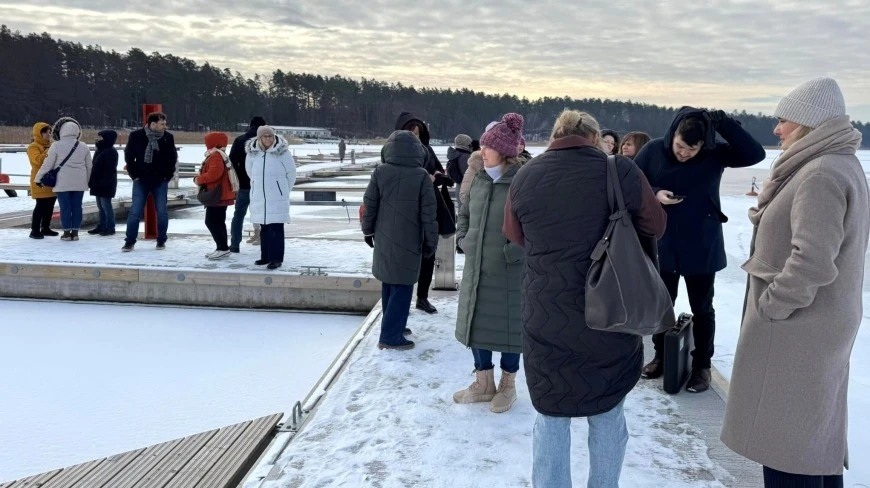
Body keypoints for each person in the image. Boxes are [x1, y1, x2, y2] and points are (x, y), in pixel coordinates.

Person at [503, 110, 666, 487]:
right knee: (607, 413)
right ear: (594, 137)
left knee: (551, 417)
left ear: (555, 136)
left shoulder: (527, 175)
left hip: (546, 315)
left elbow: (515, 233)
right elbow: (656, 225)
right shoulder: (620, 171)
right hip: (611, 310)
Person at [721, 77, 868, 487]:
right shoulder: (834, 163)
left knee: (785, 446)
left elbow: (813, 261)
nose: (776, 129)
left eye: (782, 120)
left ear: (806, 122)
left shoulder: (819, 173)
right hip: (817, 325)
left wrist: (772, 307)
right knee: (811, 444)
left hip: (798, 330)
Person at [634, 106, 765, 393]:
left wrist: (725, 124)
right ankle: (661, 356)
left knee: (702, 308)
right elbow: (632, 180)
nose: (683, 153)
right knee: (662, 306)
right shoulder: (654, 150)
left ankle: (702, 367)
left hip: (701, 244)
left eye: (691, 150)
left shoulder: (713, 153)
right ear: (673, 134)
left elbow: (755, 154)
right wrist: (655, 192)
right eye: (680, 146)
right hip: (663, 243)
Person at [453, 113, 525, 414]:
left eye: (488, 147)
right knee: (477, 323)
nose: (482, 152)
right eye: (482, 146)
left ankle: (508, 385)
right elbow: (465, 213)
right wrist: (462, 239)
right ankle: (483, 381)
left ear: (505, 152)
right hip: (476, 268)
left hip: (509, 271)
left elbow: (533, 227)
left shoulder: (522, 182)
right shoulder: (481, 179)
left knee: (509, 329)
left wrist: (514, 252)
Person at [361, 130, 437, 350]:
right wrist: (431, 241)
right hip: (410, 238)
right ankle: (391, 336)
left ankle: (394, 325)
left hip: (384, 237)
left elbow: (370, 204)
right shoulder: (421, 175)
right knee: (402, 285)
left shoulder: (380, 172)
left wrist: (367, 231)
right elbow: (428, 214)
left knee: (389, 282)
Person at [394, 112, 451, 315]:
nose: (415, 137)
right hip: (406, 210)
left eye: (418, 134)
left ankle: (422, 297)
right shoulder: (394, 153)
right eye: (411, 133)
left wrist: (436, 176)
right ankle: (402, 301)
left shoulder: (427, 150)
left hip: (428, 209)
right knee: (404, 257)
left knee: (428, 253)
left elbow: (441, 171)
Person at [122, 112, 178, 252]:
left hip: (160, 180)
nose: (165, 126)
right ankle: (129, 241)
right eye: (162, 124)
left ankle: (161, 240)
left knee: (162, 211)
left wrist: (167, 176)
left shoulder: (167, 137)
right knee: (135, 211)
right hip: (141, 179)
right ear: (152, 124)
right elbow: (129, 157)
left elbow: (172, 158)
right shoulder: (136, 136)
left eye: (165, 124)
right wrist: (134, 175)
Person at [245, 126, 296, 270]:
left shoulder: (283, 153)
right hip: (259, 196)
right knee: (264, 227)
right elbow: (250, 173)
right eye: (265, 136)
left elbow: (291, 174)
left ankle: (276, 258)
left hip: (277, 196)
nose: (268, 139)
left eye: (270, 136)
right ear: (259, 138)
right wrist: (257, 186)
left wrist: (283, 190)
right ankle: (265, 256)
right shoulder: (252, 154)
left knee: (276, 228)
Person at [35, 117, 92, 241]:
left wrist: (38, 178)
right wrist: (86, 181)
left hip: (62, 183)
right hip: (79, 183)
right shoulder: (83, 146)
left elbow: (47, 164)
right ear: (78, 131)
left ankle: (66, 233)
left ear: (61, 131)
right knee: (77, 207)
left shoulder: (56, 145)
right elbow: (89, 166)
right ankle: (75, 233)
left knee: (65, 207)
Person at [195, 132, 237, 260]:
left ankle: (222, 248)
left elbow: (215, 173)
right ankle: (222, 248)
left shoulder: (215, 156)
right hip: (221, 194)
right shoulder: (221, 155)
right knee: (218, 222)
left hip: (217, 195)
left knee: (212, 222)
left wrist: (199, 179)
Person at [229, 116, 265, 252]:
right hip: (260, 184)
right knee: (262, 213)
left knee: (238, 214)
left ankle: (235, 243)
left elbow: (231, 161)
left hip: (243, 184)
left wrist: (237, 178)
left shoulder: (239, 140)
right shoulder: (265, 141)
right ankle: (263, 238)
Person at [27, 122, 58, 239]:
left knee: (50, 205)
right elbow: (38, 160)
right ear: (38, 133)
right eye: (45, 132)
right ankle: (34, 230)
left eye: (49, 132)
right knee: (40, 206)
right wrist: (49, 150)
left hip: (51, 180)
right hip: (39, 180)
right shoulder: (33, 146)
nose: (48, 134)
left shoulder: (51, 145)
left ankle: (45, 228)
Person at [87, 130, 119, 236]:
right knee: (100, 206)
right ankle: (102, 225)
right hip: (98, 182)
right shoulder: (100, 150)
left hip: (105, 183)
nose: (98, 139)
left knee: (106, 206)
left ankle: (110, 227)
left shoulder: (110, 151)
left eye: (101, 137)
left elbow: (108, 169)